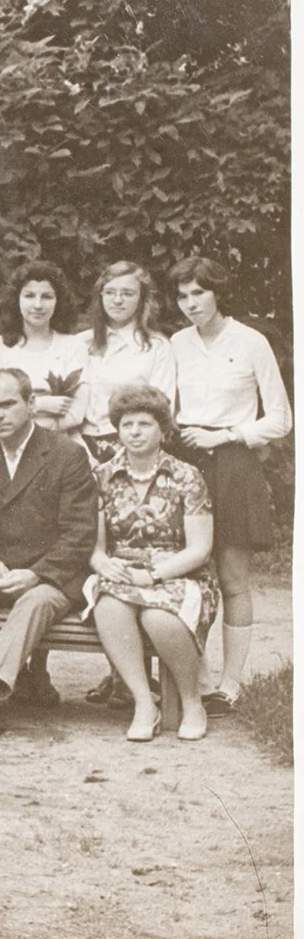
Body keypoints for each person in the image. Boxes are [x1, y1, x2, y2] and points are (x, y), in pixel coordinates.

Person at [0, 369, 99, 744]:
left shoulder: (67, 454)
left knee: (35, 602)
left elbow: (80, 533)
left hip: (50, 575)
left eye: (8, 404)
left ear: (30, 404)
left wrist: (36, 573)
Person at [168, 256, 291, 717]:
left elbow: (280, 418)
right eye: (182, 296)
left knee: (232, 577)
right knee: (186, 573)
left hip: (233, 461)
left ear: (218, 292)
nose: (190, 303)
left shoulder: (251, 341)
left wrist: (228, 435)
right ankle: (194, 679)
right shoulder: (177, 343)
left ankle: (231, 684)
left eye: (198, 292)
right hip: (184, 461)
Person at [87, 383, 217, 742]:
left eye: (144, 424)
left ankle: (193, 702)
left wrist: (154, 574)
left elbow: (200, 549)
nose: (134, 432)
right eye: (127, 424)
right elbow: (95, 547)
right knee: (109, 605)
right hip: (122, 572)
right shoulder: (103, 476)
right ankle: (144, 702)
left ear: (163, 429)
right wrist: (102, 565)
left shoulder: (186, 476)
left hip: (179, 572)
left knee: (158, 618)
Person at [78, 261, 176, 463]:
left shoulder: (156, 346)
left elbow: (162, 410)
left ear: (142, 299)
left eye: (128, 293)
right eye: (110, 292)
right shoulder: (79, 343)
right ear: (100, 296)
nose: (118, 300)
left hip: (133, 448)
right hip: (78, 446)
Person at [0, 260, 88, 436]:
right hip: (8, 441)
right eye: (29, 296)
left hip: (60, 442)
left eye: (47, 297)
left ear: (58, 301)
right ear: (16, 299)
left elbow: (76, 413)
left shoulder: (73, 346)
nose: (38, 305)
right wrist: (40, 405)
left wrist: (22, 417)